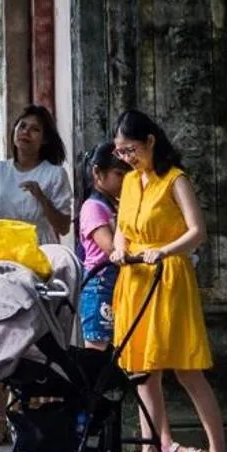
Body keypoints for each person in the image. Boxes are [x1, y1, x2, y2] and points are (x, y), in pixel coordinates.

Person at [111, 108, 227, 452]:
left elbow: (197, 231)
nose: (127, 158)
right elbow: (122, 229)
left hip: (168, 276)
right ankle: (151, 451)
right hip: (134, 278)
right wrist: (119, 249)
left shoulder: (175, 179)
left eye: (131, 150)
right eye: (120, 152)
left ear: (150, 142)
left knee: (186, 369)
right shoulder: (130, 181)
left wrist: (163, 251)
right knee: (142, 371)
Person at [0, 103, 74, 447]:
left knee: (36, 340)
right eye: (22, 126)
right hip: (2, 263)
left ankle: (37, 420)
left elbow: (62, 225)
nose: (26, 133)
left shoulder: (53, 174)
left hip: (38, 262)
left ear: (45, 139)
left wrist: (42, 198)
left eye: (34, 129)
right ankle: (0, 420)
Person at [78, 141, 128, 351]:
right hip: (100, 285)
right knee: (97, 349)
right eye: (119, 174)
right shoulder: (93, 207)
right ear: (98, 173)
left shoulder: (113, 205)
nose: (124, 181)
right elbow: (111, 248)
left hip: (116, 282)